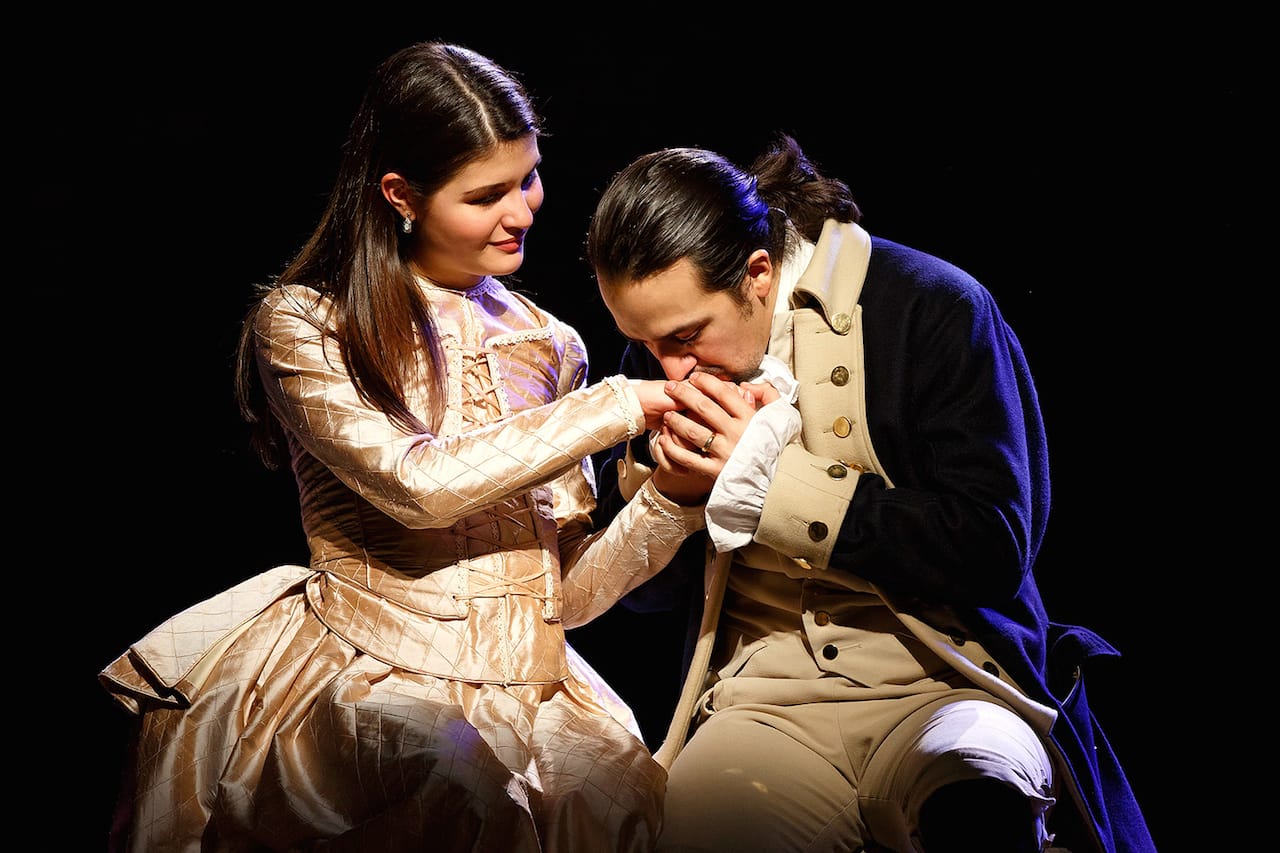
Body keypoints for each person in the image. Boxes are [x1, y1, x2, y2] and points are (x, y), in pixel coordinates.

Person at [98, 41, 711, 853]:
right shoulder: (308, 324)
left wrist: (671, 497)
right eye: (486, 193)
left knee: (628, 794)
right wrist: (617, 406)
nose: (523, 211)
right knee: (455, 774)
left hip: (530, 685)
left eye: (527, 177)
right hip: (371, 669)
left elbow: (564, 592)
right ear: (401, 194)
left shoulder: (552, 345)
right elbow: (413, 483)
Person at [584, 135, 1156, 852]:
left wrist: (774, 482)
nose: (667, 367)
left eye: (686, 337)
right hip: (767, 702)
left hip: (948, 682)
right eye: (643, 341)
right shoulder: (661, 348)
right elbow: (644, 603)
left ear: (758, 273)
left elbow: (991, 544)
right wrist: (670, 495)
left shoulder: (933, 305)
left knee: (979, 801)